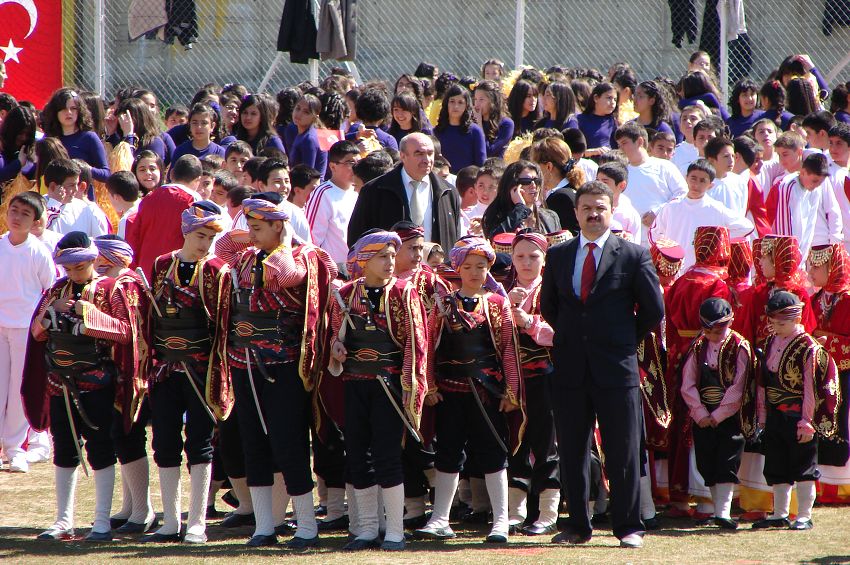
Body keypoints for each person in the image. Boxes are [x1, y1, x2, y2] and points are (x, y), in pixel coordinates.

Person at [540, 181, 664, 548]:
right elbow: (550, 307)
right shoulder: (559, 255)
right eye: (586, 209)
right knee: (574, 450)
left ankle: (629, 527)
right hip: (570, 368)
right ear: (576, 213)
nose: (593, 214)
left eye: (600, 208)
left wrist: (622, 339)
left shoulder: (633, 254)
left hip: (616, 367)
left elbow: (653, 311)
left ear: (611, 211)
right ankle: (578, 525)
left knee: (623, 450)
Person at [213, 197, 337, 548]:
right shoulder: (247, 255)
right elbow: (222, 248)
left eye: (257, 228)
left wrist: (281, 242)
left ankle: (306, 526)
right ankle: (264, 527)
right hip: (244, 362)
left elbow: (282, 277)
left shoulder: (303, 257)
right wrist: (251, 233)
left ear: (279, 227)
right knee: (253, 444)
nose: (250, 235)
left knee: (289, 443)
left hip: (283, 367)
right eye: (249, 228)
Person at [23, 232, 136, 541]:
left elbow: (126, 333)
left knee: (101, 448)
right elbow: (36, 333)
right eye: (68, 268)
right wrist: (50, 315)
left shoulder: (109, 289)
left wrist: (87, 314)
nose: (73, 273)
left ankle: (100, 522)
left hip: (97, 381)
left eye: (78, 266)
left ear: (91, 260)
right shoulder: (56, 290)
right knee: (64, 448)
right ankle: (63, 520)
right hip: (59, 382)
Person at [414, 237, 523, 544]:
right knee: (447, 452)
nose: (475, 272)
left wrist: (511, 392)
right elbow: (429, 348)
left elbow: (508, 351)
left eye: (482, 266)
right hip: (450, 392)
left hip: (486, 393)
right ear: (457, 268)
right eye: (468, 266)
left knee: (492, 452)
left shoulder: (497, 304)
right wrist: (430, 385)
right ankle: (440, 519)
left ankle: (501, 521)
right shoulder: (443, 304)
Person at [327, 231, 428, 551]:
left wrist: (411, 386)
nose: (389, 262)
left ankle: (395, 530)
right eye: (382, 256)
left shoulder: (404, 292)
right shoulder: (345, 293)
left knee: (387, 455)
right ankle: (368, 528)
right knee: (357, 454)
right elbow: (333, 335)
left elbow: (417, 342)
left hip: (389, 385)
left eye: (391, 255)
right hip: (356, 384)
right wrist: (336, 347)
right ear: (364, 260)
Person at [141, 202, 229, 544]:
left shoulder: (217, 271)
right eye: (199, 235)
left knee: (200, 443)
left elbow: (223, 323)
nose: (205, 243)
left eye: (210, 237)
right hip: (165, 368)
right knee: (163, 441)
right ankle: (170, 521)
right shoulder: (162, 264)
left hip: (201, 369)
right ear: (185, 232)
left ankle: (197, 522)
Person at [752, 291, 842, 531]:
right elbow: (763, 383)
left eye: (781, 323)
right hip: (775, 416)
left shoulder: (808, 347)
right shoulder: (770, 343)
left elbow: (812, 387)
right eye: (773, 323)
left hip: (798, 415)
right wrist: (762, 419)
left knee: (803, 466)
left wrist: (807, 422)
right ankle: (780, 513)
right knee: (777, 464)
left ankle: (803, 514)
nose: (776, 327)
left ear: (795, 319)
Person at [662, 226, 734, 515]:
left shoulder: (682, 279)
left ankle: (678, 495)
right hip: (707, 354)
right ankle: (706, 498)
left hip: (678, 352)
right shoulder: (718, 284)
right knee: (707, 421)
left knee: (681, 423)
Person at [679, 298, 753, 530]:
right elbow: (688, 383)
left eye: (718, 329)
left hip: (729, 417)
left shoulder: (740, 346)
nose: (712, 334)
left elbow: (739, 386)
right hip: (703, 416)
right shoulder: (698, 346)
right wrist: (700, 413)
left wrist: (720, 414)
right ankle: (714, 507)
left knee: (727, 461)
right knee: (707, 461)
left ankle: (723, 512)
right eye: (708, 329)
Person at [505, 231, 560, 536]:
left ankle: (548, 513)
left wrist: (526, 321)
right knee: (516, 442)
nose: (526, 263)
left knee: (546, 442)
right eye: (520, 256)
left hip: (547, 379)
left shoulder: (552, 292)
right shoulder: (503, 293)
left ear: (544, 259)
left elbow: (559, 334)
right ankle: (515, 511)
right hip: (515, 382)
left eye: (533, 256)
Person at [0, 193, 56, 473]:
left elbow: (51, 290)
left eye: (24, 213)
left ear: (35, 220)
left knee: (19, 388)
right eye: (13, 210)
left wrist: (40, 324)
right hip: (0, 326)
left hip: (26, 328)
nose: (17, 216)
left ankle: (15, 448)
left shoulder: (37, 251)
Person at [347, 133, 460, 252]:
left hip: (436, 268)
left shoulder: (448, 193)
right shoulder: (375, 191)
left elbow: (454, 240)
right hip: (392, 269)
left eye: (430, 153)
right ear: (402, 156)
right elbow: (357, 239)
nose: (426, 160)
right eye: (419, 154)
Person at [651, 159, 754, 272]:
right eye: (693, 178)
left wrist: (717, 240)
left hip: (700, 272)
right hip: (673, 269)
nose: (696, 185)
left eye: (702, 181)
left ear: (710, 185)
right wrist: (668, 252)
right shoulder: (672, 207)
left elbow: (746, 226)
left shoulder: (716, 209)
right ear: (686, 178)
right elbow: (654, 233)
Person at [807, 243, 850, 503]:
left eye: (817, 265)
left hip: (845, 373)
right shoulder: (815, 298)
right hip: (821, 371)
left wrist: (825, 341)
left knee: (841, 420)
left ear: (832, 267)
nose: (811, 271)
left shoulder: (847, 300)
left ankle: (842, 486)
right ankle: (822, 484)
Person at [128, 154, 201, 279]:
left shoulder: (148, 199)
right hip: (176, 274)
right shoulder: (193, 201)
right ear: (198, 180)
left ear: (171, 174)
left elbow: (134, 236)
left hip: (146, 271)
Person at [614, 123, 687, 243]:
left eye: (624, 143)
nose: (621, 149)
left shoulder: (665, 166)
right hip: (633, 242)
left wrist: (658, 212)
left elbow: (683, 194)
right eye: (619, 145)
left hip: (663, 240)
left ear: (639, 141)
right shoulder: (621, 173)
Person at [766, 153, 843, 262]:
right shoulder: (788, 186)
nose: (816, 185)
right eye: (815, 181)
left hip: (802, 253)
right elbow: (784, 228)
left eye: (820, 182)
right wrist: (790, 259)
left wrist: (803, 256)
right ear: (803, 172)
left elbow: (810, 226)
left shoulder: (816, 189)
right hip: (786, 254)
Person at [304, 140, 361, 267]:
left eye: (358, 162)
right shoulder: (322, 193)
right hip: (334, 270)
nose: (356, 167)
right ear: (333, 166)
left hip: (357, 267)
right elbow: (312, 238)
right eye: (350, 163)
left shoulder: (358, 190)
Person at [42, 88, 110, 182]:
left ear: (79, 110)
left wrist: (84, 168)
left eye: (73, 108)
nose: (69, 112)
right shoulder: (48, 139)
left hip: (82, 193)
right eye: (63, 109)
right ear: (55, 112)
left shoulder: (89, 137)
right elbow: (37, 172)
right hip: (55, 194)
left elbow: (106, 174)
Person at [531, 137, 585, 235]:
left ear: (549, 167)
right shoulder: (569, 191)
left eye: (536, 167)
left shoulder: (559, 198)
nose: (534, 174)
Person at [435, 84, 486, 173]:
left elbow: (480, 164)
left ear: (466, 105)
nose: (456, 106)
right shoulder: (437, 131)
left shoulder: (475, 131)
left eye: (460, 102)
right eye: (452, 101)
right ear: (446, 103)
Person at [169, 104, 226, 172]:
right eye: (195, 123)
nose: (199, 127)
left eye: (204, 123)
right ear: (189, 125)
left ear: (212, 126)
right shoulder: (181, 150)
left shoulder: (219, 152)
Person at [596, 161, 642, 243]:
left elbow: (634, 248)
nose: (599, 186)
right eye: (597, 181)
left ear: (621, 185)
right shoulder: (591, 208)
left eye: (605, 182)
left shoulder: (630, 215)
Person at [704, 137, 748, 218]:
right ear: (711, 160)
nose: (731, 160)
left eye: (732, 156)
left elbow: (741, 211)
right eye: (726, 156)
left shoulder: (739, 182)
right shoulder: (704, 184)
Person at [473, 81, 514, 158]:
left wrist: (479, 125)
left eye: (481, 100)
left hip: (494, 167)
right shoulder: (471, 121)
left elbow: (489, 151)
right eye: (475, 99)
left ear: (492, 101)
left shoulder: (506, 123)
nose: (477, 104)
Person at [576, 82, 619, 157]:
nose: (613, 103)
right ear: (596, 98)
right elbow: (573, 151)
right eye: (609, 98)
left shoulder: (613, 121)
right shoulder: (580, 120)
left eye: (615, 99)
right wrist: (592, 152)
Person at [290, 94, 329, 174]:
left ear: (314, 118)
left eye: (306, 112)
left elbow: (307, 175)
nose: (299, 114)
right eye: (298, 108)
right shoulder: (302, 134)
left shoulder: (309, 139)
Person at [462, 162, 503, 236]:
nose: (485, 192)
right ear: (475, 187)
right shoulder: (465, 215)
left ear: (499, 189)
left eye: (491, 187)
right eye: (481, 186)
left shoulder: (505, 216)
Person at [671, 105, 708, 175]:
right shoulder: (674, 152)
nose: (688, 121)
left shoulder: (709, 150)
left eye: (693, 119)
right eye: (684, 119)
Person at [106, 171, 141, 239]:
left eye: (109, 195)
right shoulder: (147, 208)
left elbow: (122, 248)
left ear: (116, 197)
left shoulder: (126, 220)